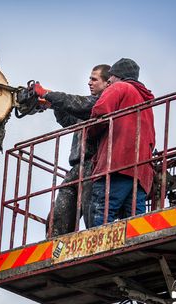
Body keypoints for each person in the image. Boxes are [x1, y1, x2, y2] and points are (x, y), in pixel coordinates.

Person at [33, 64, 110, 236]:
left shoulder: (103, 103)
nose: (89, 82)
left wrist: (48, 94)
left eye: (94, 79)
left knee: (92, 212)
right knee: (59, 214)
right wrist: (53, 105)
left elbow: (76, 103)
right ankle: (53, 245)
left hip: (94, 165)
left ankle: (96, 240)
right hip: (77, 167)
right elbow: (69, 120)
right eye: (89, 78)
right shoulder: (88, 109)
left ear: (107, 83)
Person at [88, 58, 155, 227]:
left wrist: (89, 135)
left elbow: (99, 113)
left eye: (110, 78)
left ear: (117, 76)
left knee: (103, 214)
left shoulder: (119, 87)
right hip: (140, 173)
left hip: (116, 165)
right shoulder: (146, 103)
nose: (108, 82)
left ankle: (99, 250)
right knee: (135, 224)